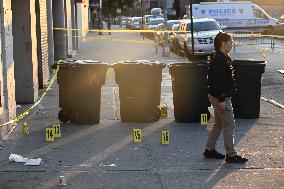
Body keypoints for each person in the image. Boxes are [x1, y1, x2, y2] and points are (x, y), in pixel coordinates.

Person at [203, 32, 248, 163]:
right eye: (230, 43)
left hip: (217, 96)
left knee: (218, 124)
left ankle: (209, 149)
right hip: (220, 97)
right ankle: (231, 155)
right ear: (223, 44)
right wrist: (222, 99)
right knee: (229, 124)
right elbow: (218, 81)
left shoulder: (222, 57)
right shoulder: (219, 60)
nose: (232, 45)